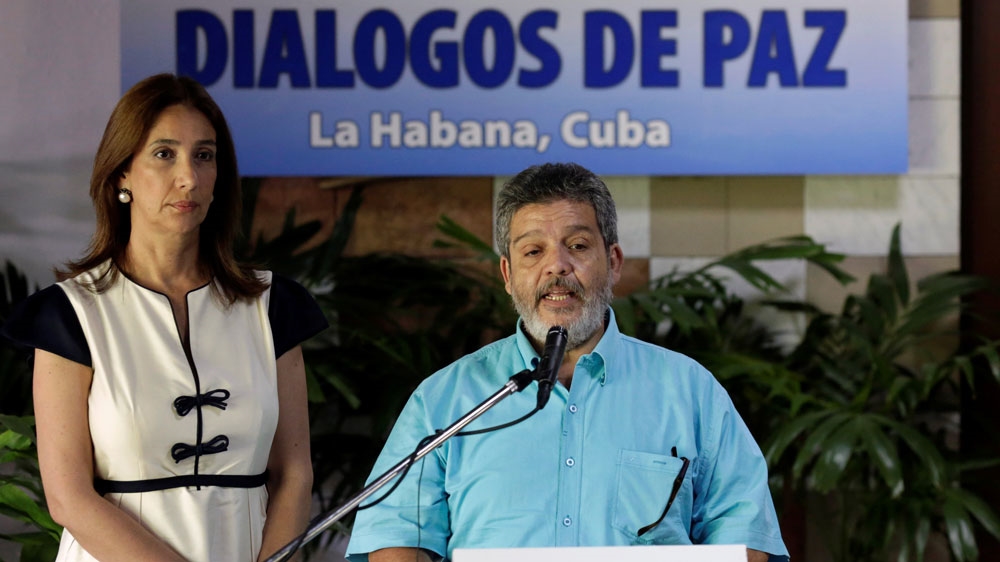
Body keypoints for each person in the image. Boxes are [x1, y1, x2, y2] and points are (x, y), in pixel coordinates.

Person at [345, 163, 788, 562]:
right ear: (507, 274)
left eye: (577, 245)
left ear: (612, 262)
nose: (557, 266)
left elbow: (744, 535)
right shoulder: (445, 398)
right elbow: (397, 535)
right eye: (533, 252)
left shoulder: (690, 390)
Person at [0, 73, 327, 562]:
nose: (189, 178)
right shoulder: (69, 313)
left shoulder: (272, 304)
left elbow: (294, 473)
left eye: (204, 155)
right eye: (164, 153)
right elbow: (69, 498)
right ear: (121, 174)